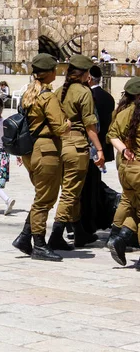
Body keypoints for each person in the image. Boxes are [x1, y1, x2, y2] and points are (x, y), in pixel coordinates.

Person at [11, 53, 70, 261]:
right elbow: (60, 127)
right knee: (44, 200)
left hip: (31, 151)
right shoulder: (47, 97)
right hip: (46, 151)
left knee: (41, 196)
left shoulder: (30, 93)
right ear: (50, 73)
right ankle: (39, 245)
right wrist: (68, 123)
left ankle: (25, 237)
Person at [50, 55, 104, 250]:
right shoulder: (84, 92)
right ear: (86, 74)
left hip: (59, 145)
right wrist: (99, 149)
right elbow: (90, 125)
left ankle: (79, 231)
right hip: (76, 145)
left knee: (71, 191)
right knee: (71, 193)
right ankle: (56, 233)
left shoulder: (58, 92)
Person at [106, 77, 140, 268]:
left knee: (131, 204)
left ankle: (119, 237)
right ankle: (120, 240)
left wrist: (124, 150)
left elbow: (111, 134)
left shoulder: (126, 111)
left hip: (127, 168)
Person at [79, 65, 116, 234]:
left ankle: (85, 223)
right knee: (94, 185)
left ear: (89, 78)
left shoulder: (88, 96)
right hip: (103, 150)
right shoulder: (108, 98)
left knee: (84, 188)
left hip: (88, 149)